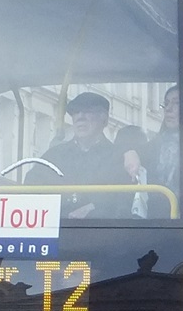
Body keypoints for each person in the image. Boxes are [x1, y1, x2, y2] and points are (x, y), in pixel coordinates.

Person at [25, 91, 133, 219]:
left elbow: (125, 201)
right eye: (76, 112)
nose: (80, 117)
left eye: (88, 111)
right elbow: (31, 189)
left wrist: (95, 207)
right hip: (60, 231)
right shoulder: (54, 156)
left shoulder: (119, 158)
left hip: (103, 232)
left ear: (104, 119)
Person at [123, 84, 182, 217]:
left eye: (176, 103)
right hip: (156, 220)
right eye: (166, 104)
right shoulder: (155, 145)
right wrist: (129, 152)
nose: (168, 109)